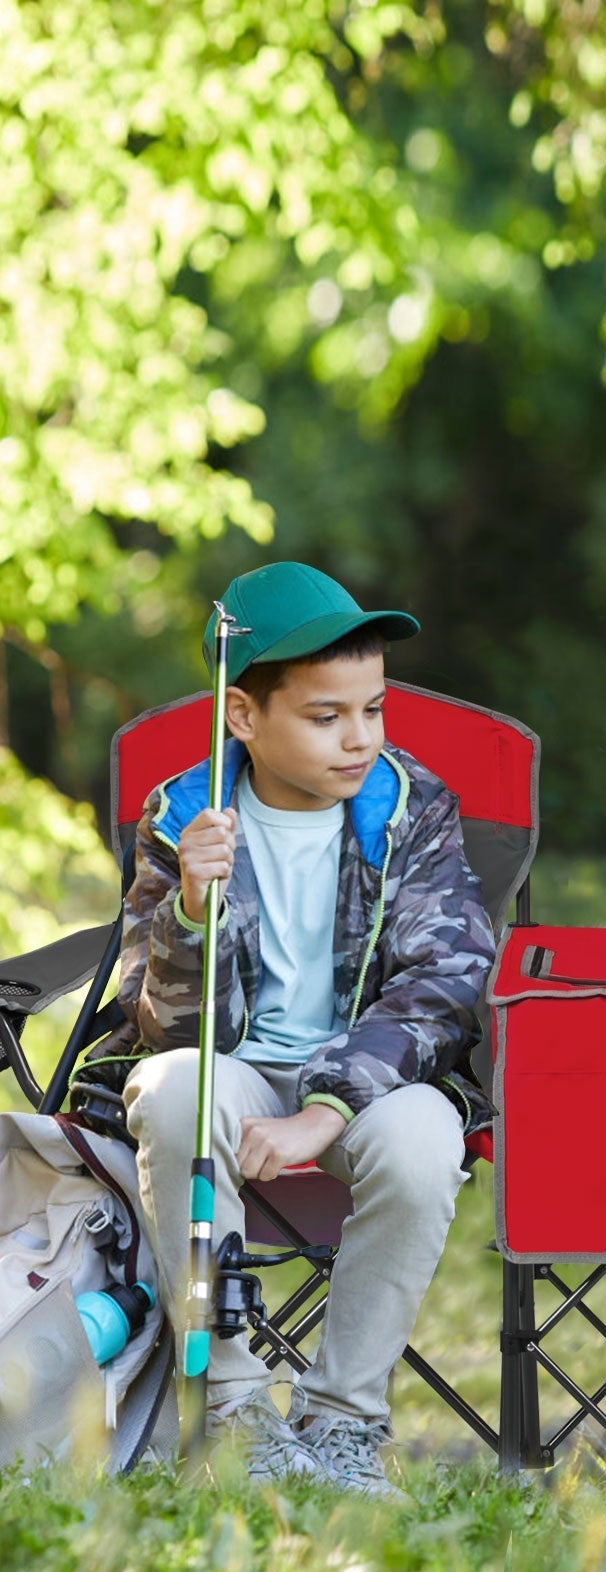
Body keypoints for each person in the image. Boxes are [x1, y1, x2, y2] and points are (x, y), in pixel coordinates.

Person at [78, 562, 495, 1495]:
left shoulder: (411, 809)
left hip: (369, 1079)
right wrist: (192, 911)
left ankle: (343, 1420)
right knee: (175, 1090)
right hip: (230, 1070)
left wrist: (324, 1108)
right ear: (243, 716)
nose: (360, 738)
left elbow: (446, 983)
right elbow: (164, 1028)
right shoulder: (182, 817)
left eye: (373, 709)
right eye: (325, 716)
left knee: (427, 1139)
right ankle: (232, 1410)